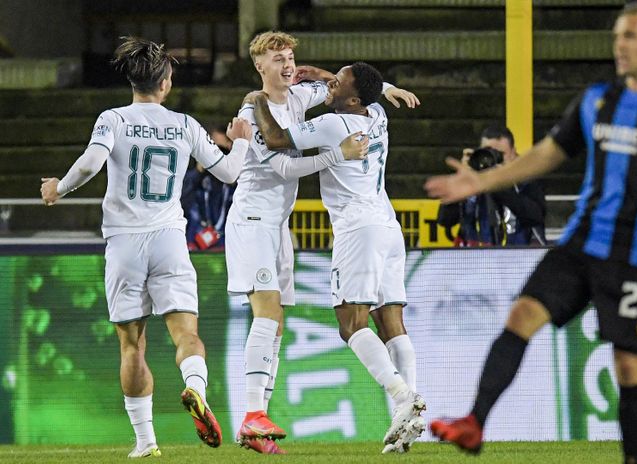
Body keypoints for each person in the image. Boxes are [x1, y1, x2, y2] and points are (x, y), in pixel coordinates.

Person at [424, 3, 637, 464]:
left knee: (628, 366)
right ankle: (475, 422)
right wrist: (482, 181)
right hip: (580, 242)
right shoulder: (597, 100)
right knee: (521, 315)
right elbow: (546, 154)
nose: (619, 45)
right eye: (617, 36)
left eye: (630, 36)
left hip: (635, 254)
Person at [39, 36, 253, 458]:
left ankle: (146, 441)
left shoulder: (114, 118)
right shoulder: (185, 124)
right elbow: (230, 173)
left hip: (124, 243)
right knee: (186, 333)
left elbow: (91, 163)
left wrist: (58, 188)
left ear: (133, 82)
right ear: (166, 83)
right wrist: (242, 139)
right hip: (170, 239)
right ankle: (195, 388)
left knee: (132, 346)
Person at [227, 31, 416, 454]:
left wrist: (382, 86)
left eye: (290, 57)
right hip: (253, 219)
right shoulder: (252, 110)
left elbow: (332, 83)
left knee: (279, 322)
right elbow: (281, 165)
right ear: (259, 66)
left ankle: (257, 421)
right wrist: (338, 152)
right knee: (269, 316)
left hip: (285, 225)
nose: (288, 65)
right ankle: (253, 413)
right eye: (278, 59)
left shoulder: (302, 98)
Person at [437, 125, 546, 246]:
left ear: (513, 153)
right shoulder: (472, 182)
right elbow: (445, 220)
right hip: (474, 254)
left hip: (515, 254)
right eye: (489, 153)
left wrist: (498, 184)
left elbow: (536, 217)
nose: (493, 159)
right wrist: (461, 179)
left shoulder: (526, 180)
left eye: (500, 154)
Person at [182, 126, 235, 251]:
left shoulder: (234, 183)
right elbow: (182, 202)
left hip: (226, 243)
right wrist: (198, 172)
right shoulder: (196, 180)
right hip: (195, 242)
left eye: (220, 149)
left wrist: (232, 174)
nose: (215, 155)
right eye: (211, 147)